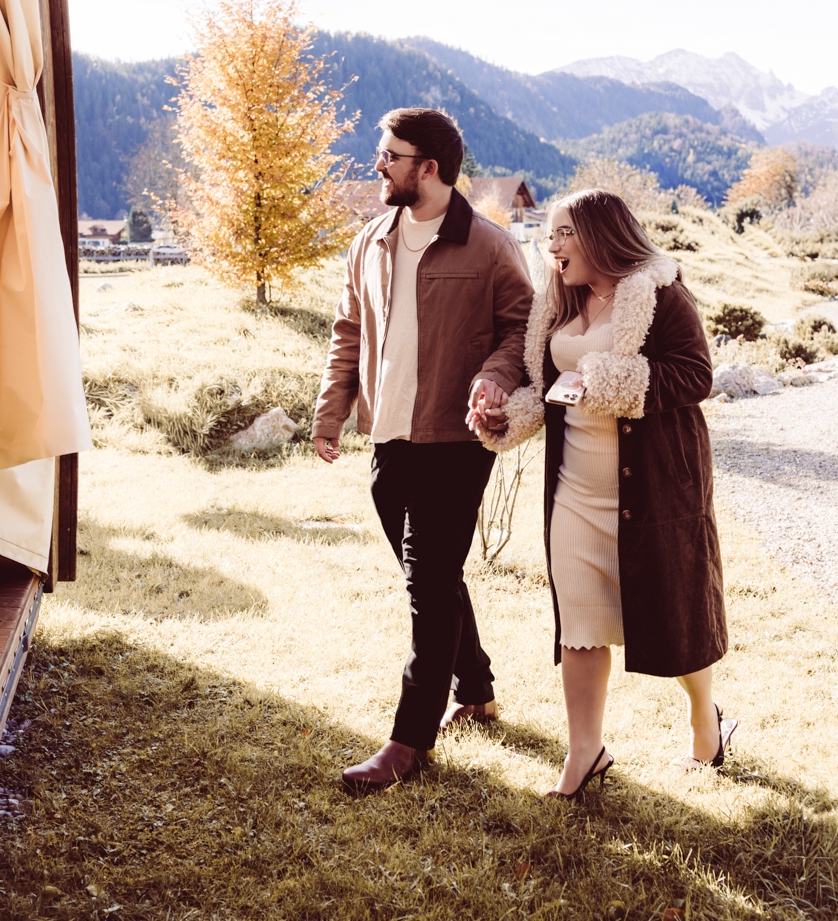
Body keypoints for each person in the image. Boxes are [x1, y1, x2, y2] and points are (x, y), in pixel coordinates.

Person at [471, 188, 733, 798]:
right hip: (573, 490)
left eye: (564, 233)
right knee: (580, 625)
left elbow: (696, 374)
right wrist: (503, 419)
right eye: (552, 234)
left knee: (673, 615)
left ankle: (705, 717)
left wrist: (610, 380)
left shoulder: (659, 293)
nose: (553, 245)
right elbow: (547, 388)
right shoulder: (557, 302)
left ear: (601, 235)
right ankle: (584, 754)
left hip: (654, 491)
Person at [312, 107, 534, 794]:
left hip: (455, 441)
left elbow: (521, 329)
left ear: (428, 167)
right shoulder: (371, 241)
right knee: (431, 578)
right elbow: (348, 329)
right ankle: (477, 690)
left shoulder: (490, 247)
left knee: (427, 586)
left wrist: (492, 380)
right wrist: (330, 411)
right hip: (388, 438)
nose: (377, 164)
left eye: (388, 155)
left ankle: (407, 743)